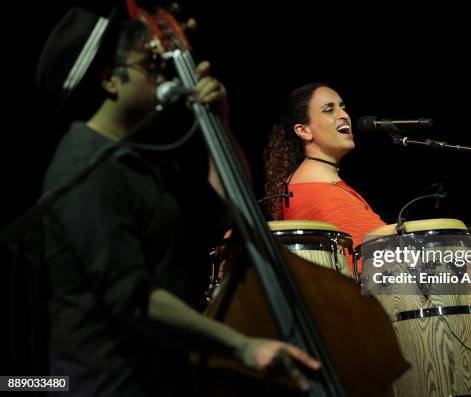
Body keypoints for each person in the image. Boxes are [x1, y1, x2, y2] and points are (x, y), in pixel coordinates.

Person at [37, 7, 318, 396]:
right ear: (109, 80)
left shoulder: (137, 163)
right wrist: (242, 345)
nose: (164, 71)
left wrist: (219, 122)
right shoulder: (85, 166)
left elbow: (227, 203)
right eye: (149, 63)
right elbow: (133, 298)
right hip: (102, 384)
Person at [264, 83, 386, 272]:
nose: (344, 115)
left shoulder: (306, 182)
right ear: (304, 131)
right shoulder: (321, 191)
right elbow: (388, 253)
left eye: (342, 107)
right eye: (329, 110)